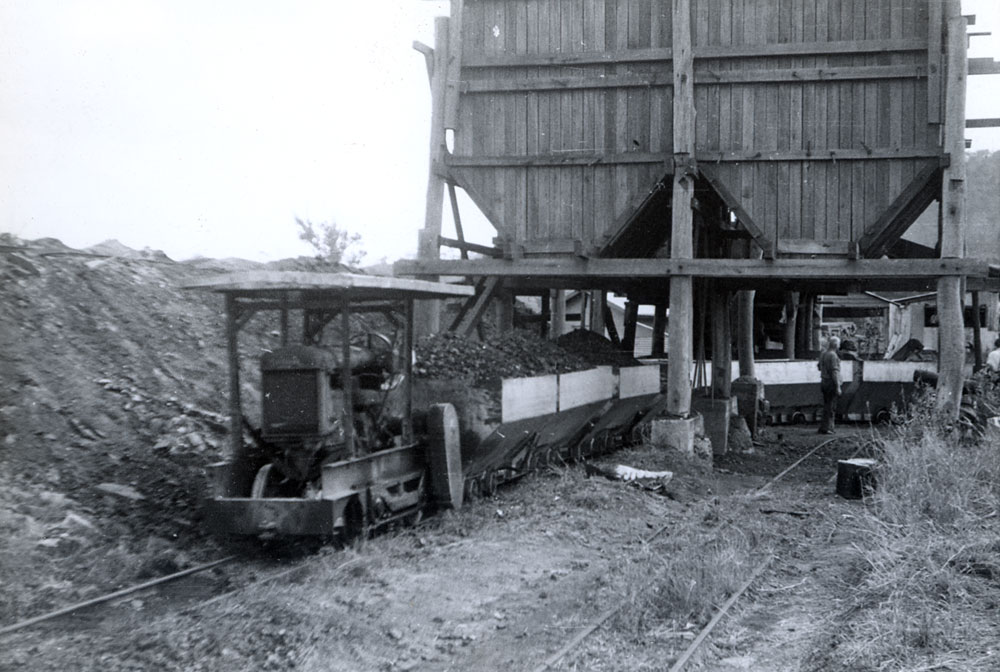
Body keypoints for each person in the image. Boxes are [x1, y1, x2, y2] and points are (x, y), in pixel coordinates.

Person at [817, 336, 842, 434]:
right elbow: (834, 372)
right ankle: (829, 428)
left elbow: (819, 367)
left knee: (826, 405)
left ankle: (823, 427)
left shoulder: (823, 354)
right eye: (839, 344)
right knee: (831, 406)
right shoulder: (833, 355)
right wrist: (838, 386)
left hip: (823, 382)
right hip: (831, 383)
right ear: (836, 345)